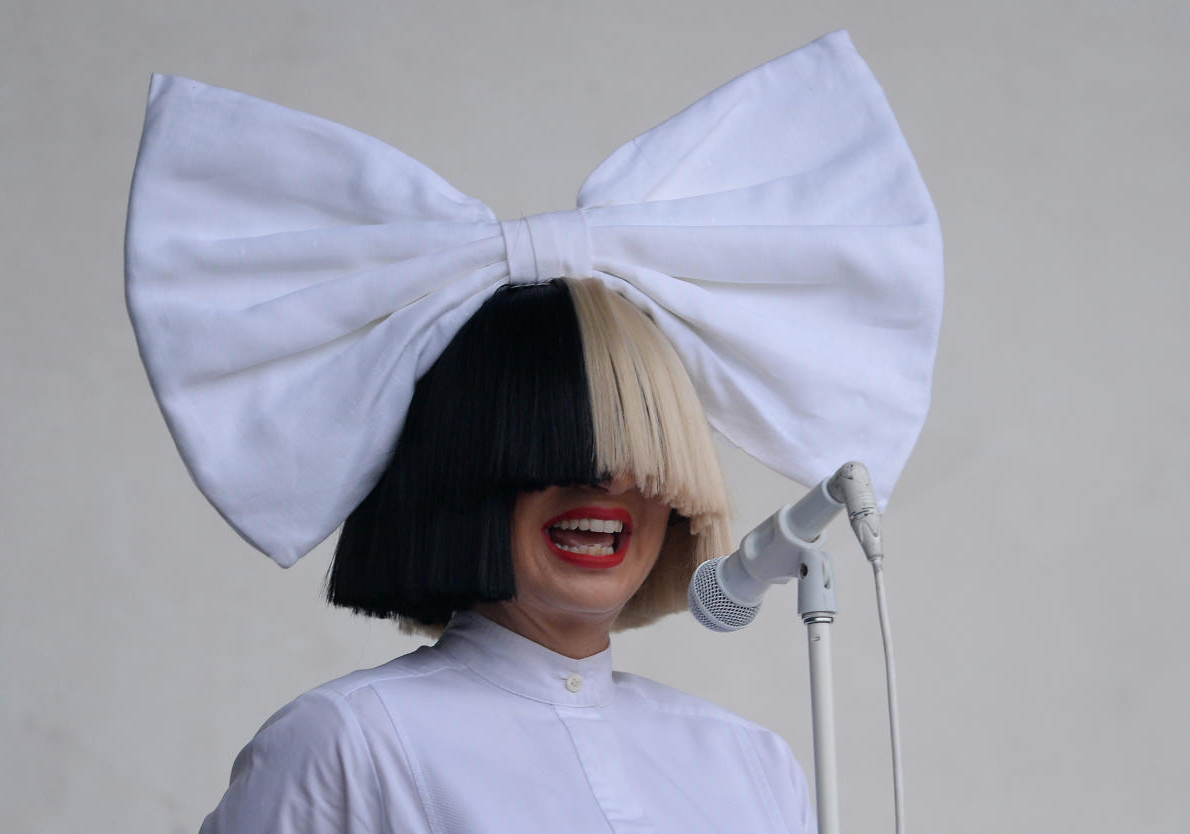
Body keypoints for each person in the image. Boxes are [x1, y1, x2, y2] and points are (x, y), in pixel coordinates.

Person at [125, 30, 940, 834]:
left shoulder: (749, 765)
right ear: (463, 469)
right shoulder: (346, 746)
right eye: (554, 450)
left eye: (638, 450)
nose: (605, 485)